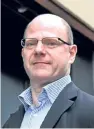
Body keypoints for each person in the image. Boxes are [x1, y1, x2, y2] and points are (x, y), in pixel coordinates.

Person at [3, 14, 94, 128]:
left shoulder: (91, 112)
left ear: (71, 54)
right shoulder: (11, 123)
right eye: (31, 43)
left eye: (51, 43)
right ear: (23, 54)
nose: (38, 50)